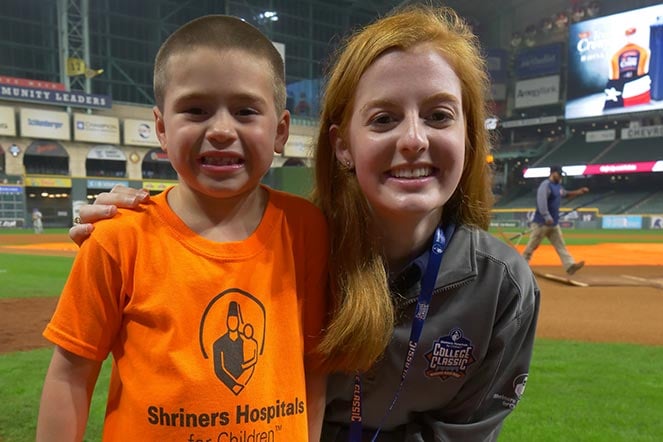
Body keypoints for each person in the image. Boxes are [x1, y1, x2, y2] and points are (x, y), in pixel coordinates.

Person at [70, 5, 540, 441]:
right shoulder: (293, 244)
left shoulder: (503, 286)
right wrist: (131, 226)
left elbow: (464, 432)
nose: (414, 139)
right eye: (383, 119)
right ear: (342, 146)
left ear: (468, 135)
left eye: (439, 116)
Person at [37, 15, 328, 442]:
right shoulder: (118, 237)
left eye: (246, 111)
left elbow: (314, 368)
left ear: (280, 131)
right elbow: (69, 377)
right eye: (196, 110)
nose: (222, 130)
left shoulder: (307, 229)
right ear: (161, 128)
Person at [522, 165, 589, 275]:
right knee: (532, 246)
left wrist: (579, 192)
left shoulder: (558, 186)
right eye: (559, 174)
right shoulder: (545, 185)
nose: (561, 176)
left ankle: (570, 266)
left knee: (560, 245)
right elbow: (541, 202)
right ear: (553, 173)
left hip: (553, 224)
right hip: (542, 223)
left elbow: (566, 194)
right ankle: (521, 267)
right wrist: (546, 216)